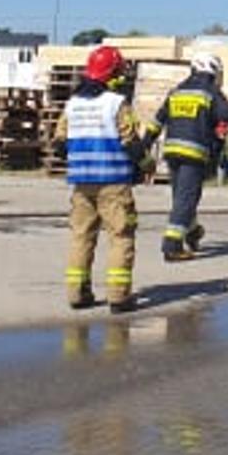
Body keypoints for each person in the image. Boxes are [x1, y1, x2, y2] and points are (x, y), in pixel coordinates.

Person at [52, 45, 157, 313]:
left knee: (81, 236)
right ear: (112, 73)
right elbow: (130, 141)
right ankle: (119, 297)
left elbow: (58, 144)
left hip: (81, 183)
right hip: (113, 183)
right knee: (121, 236)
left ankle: (77, 294)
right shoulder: (115, 103)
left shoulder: (72, 105)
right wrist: (147, 164)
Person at [155, 53, 228, 261]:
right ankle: (172, 245)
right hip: (193, 154)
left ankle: (193, 231)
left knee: (181, 198)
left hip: (171, 153)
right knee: (186, 199)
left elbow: (156, 122)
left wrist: (143, 146)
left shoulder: (177, 91)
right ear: (212, 71)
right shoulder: (209, 92)